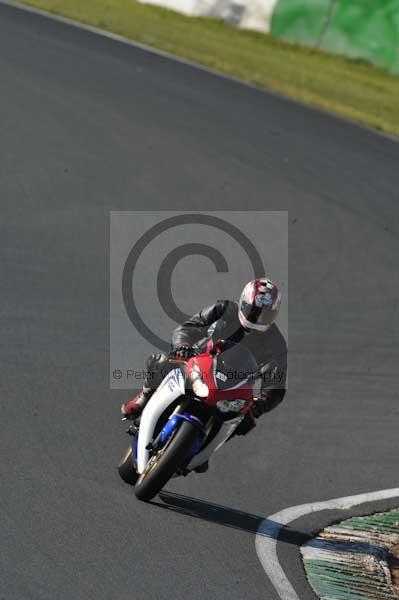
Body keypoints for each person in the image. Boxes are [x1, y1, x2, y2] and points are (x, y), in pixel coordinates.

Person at [121, 278, 287, 438]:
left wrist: (262, 403)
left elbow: (276, 383)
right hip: (201, 359)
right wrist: (182, 346)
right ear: (243, 303)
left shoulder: (276, 342)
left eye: (264, 315)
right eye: (253, 311)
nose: (256, 319)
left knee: (243, 420)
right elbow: (188, 327)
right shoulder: (225, 309)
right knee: (161, 363)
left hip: (235, 383)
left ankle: (204, 447)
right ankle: (143, 398)